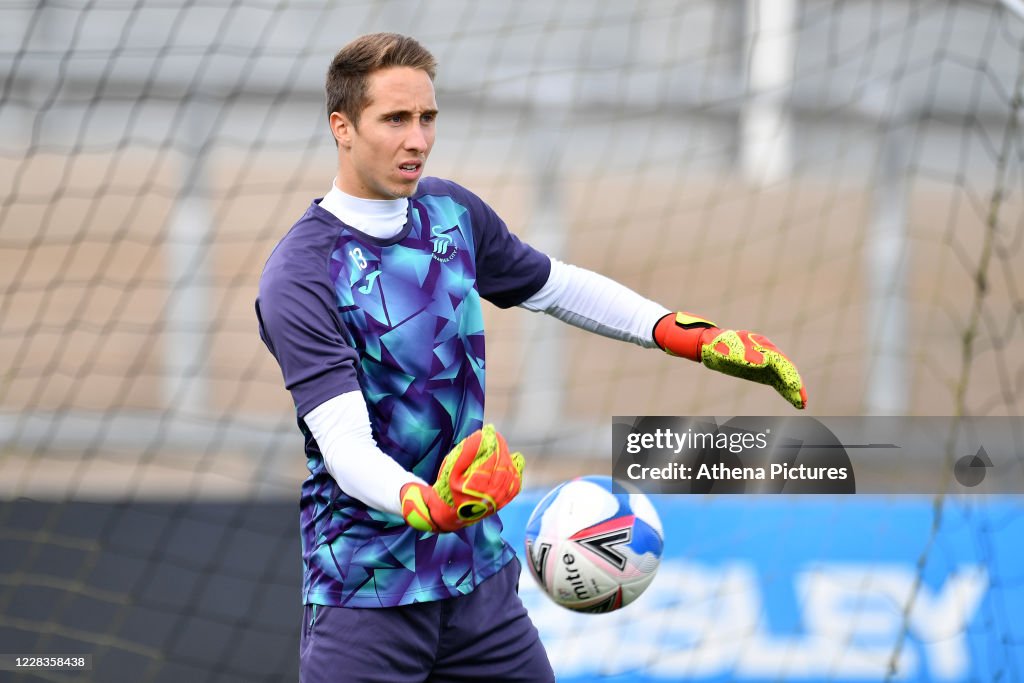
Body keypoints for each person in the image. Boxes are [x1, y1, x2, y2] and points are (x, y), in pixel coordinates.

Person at [256, 32, 806, 683]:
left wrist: (685, 334)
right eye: (395, 119)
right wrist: (426, 503)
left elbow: (555, 285)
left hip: (479, 586)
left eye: (428, 118)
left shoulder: (450, 212)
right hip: (366, 595)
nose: (418, 140)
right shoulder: (301, 273)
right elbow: (346, 447)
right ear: (341, 128)